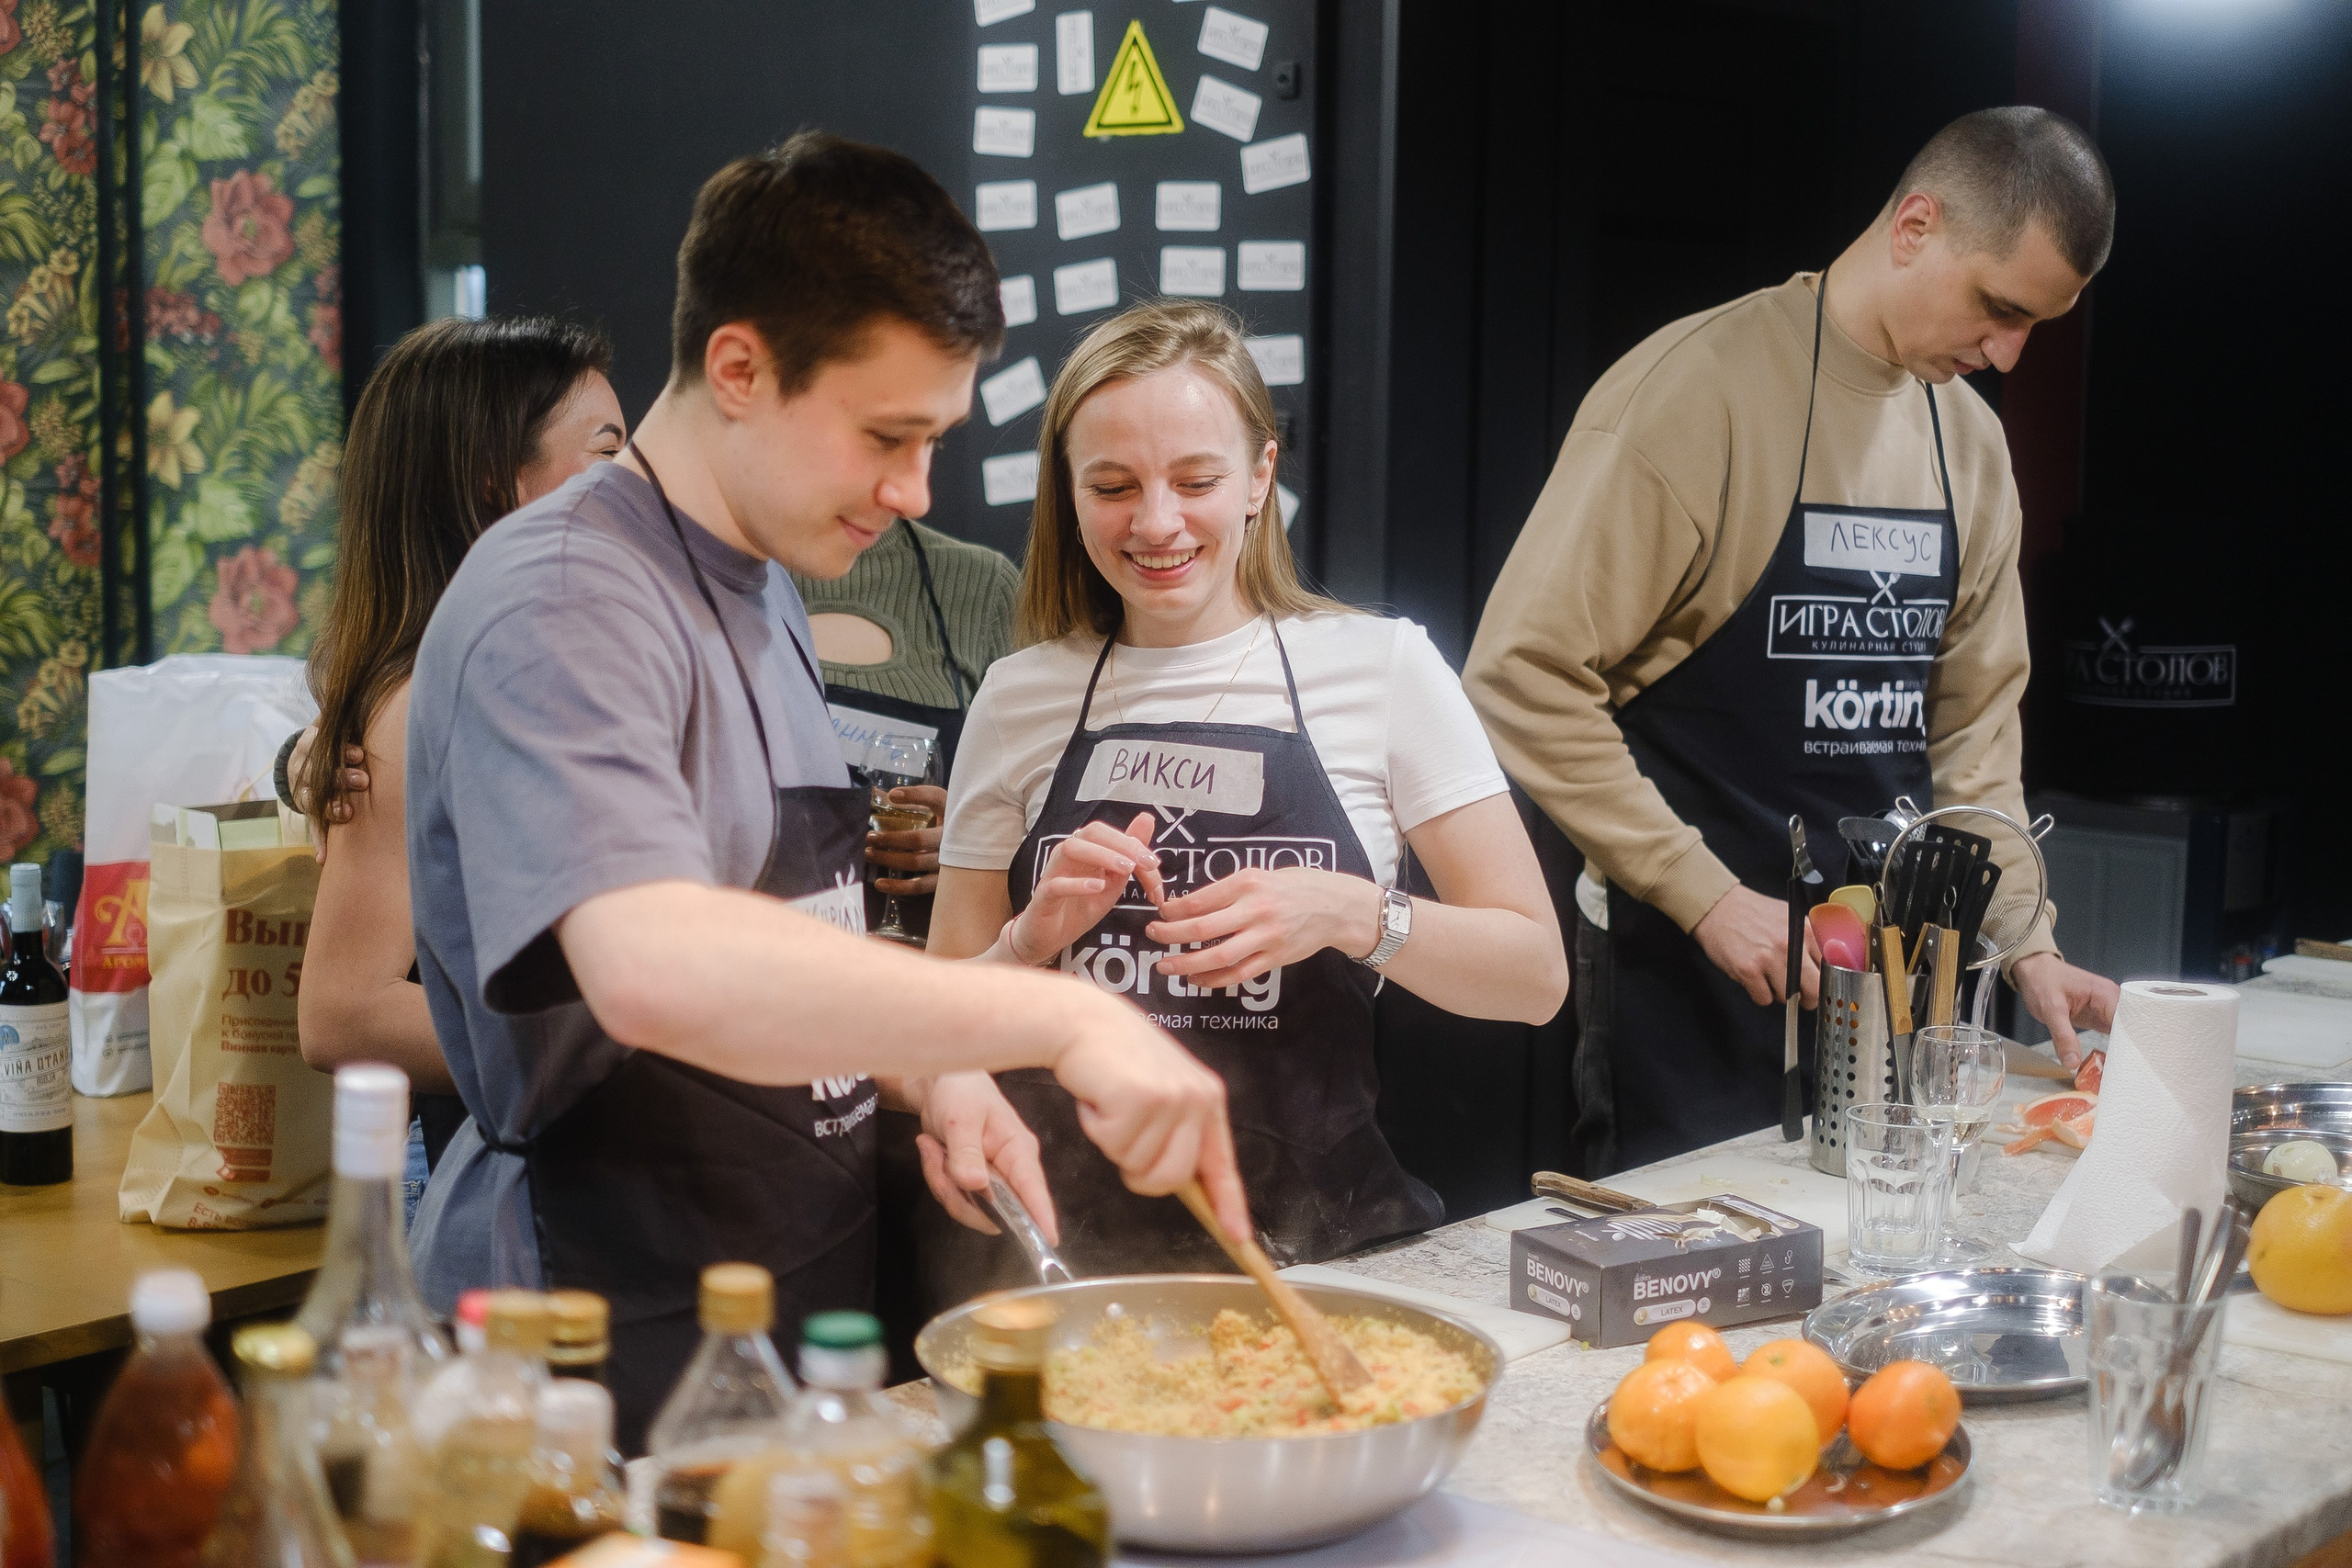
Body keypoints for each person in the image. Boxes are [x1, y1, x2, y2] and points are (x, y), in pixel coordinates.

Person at [401, 132, 1243, 1453]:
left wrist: (934, 1065)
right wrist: (1050, 1017)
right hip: (597, 1327)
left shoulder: (765, 578)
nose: (913, 493)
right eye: (887, 436)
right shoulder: (564, 596)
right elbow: (648, 959)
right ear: (738, 367)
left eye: (934, 440)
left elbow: (786, 923)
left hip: (780, 1300)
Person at [1464, 107, 2124, 1175]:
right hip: (1694, 973)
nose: (2008, 353)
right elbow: (1520, 675)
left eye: (2035, 327)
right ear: (1915, 225)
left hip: (1894, 983)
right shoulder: (1696, 393)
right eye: (1998, 308)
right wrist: (1703, 894)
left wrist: (2027, 943)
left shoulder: (1971, 445)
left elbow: (1972, 742)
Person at [929, 299, 1568, 1278]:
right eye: (1111, 485)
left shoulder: (1382, 668)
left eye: (1196, 480)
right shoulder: (1020, 698)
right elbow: (929, 1019)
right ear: (1067, 490)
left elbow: (1534, 979)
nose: (1155, 522)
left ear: (1261, 477)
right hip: (1072, 1272)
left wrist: (1351, 911)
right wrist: (1029, 942)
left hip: (1325, 1262)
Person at [291, 316, 626, 1210]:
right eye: (606, 458)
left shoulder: (548, 677)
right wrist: (625, 1040)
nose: (639, 490)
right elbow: (339, 1013)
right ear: (495, 488)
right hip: (484, 1188)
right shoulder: (413, 712)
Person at [793, 518, 1020, 934]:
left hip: (922, 952)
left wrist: (978, 847)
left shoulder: (980, 584)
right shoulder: (726, 573)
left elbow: (1047, 801)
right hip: (756, 950)